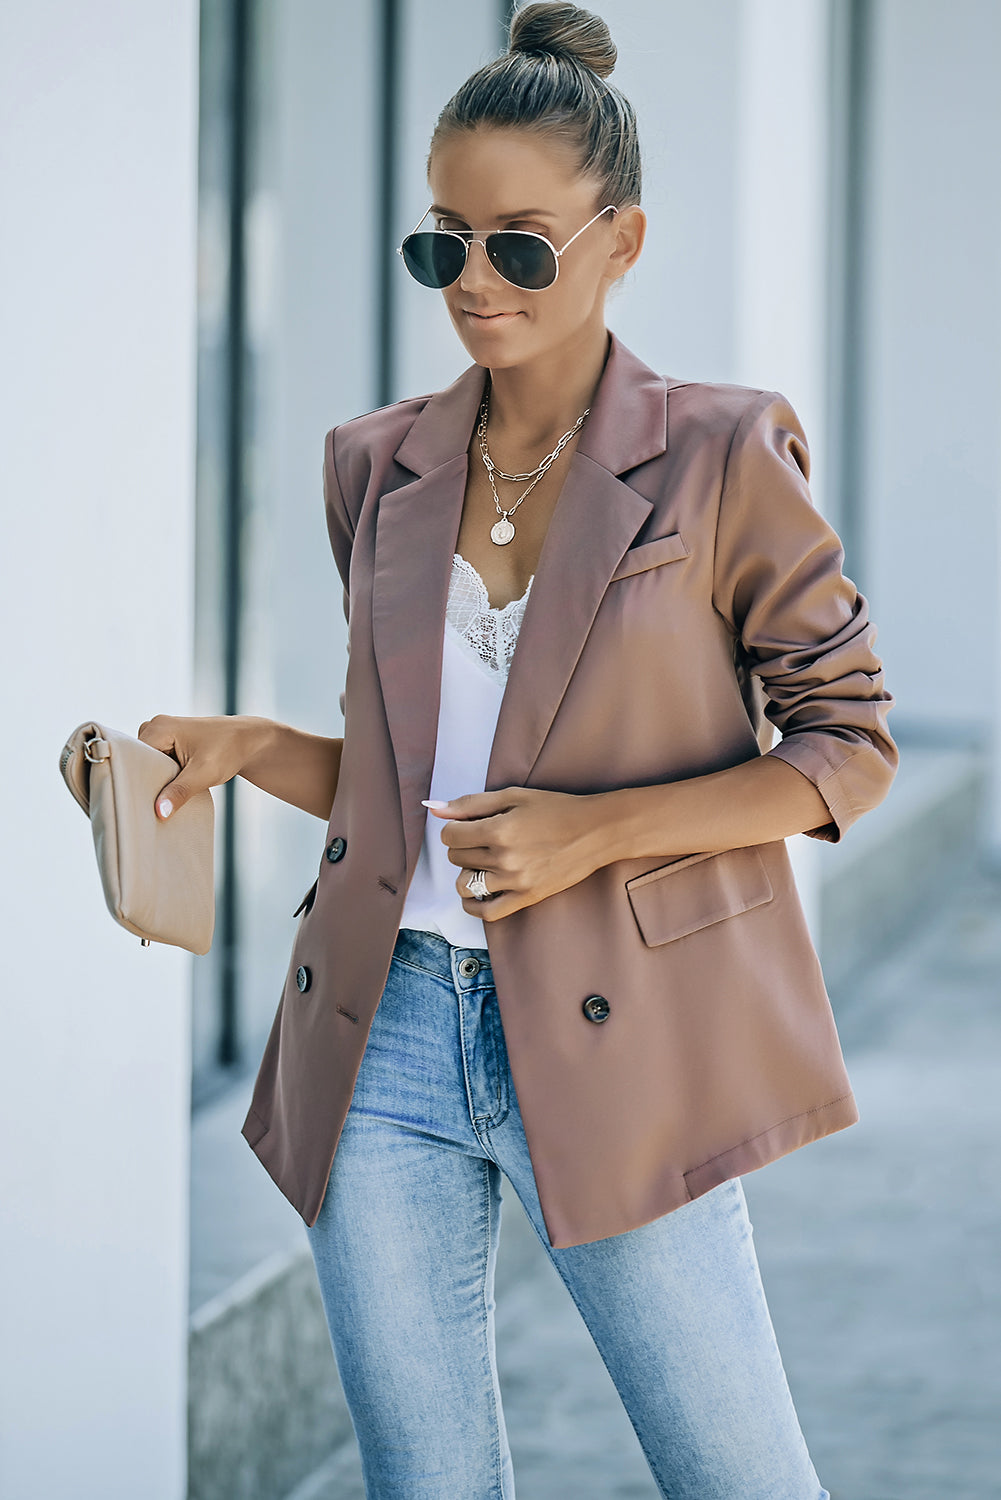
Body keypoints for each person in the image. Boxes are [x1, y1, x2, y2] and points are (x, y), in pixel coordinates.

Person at [140, 4, 898, 1495]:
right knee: (424, 1482)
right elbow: (401, 781)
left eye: (520, 244)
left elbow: (847, 745)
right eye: (442, 242)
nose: (473, 283)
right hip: (386, 1036)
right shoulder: (376, 464)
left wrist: (588, 833)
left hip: (629, 1032)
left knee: (735, 1474)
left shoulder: (722, 454)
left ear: (620, 241)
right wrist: (245, 750)